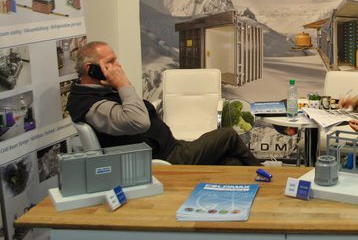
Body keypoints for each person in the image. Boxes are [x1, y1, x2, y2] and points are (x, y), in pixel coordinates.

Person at [66, 41, 259, 166]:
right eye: (111, 61)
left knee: (232, 163)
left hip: (170, 147)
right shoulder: (94, 106)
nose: (118, 66)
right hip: (166, 159)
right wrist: (123, 84)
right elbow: (139, 122)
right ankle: (270, 180)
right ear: (91, 69)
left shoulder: (99, 92)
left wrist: (120, 86)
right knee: (227, 135)